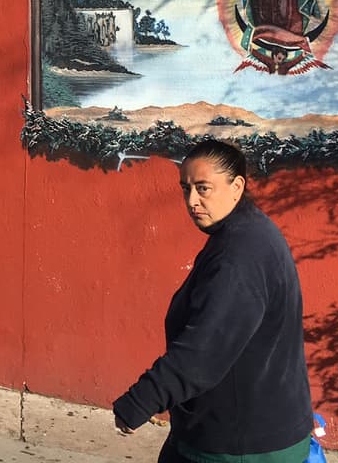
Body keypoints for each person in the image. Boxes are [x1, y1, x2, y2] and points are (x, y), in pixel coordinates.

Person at [111, 140, 313, 463]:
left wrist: (141, 400)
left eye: (203, 188)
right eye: (185, 189)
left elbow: (204, 349)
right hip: (240, 428)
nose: (192, 201)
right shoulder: (245, 232)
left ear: (237, 187)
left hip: (241, 444)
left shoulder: (240, 255)